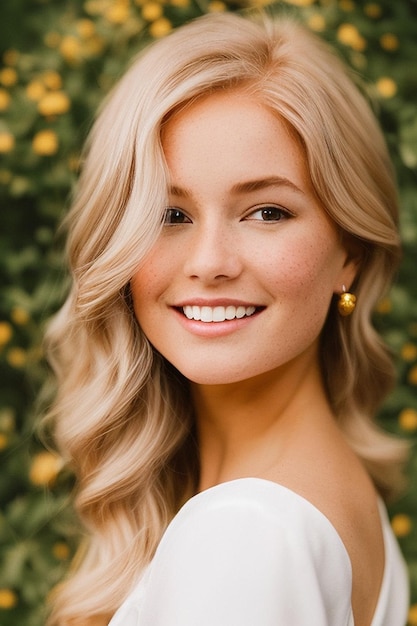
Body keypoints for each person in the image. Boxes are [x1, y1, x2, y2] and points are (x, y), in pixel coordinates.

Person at [44, 11, 410, 626]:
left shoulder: (248, 533)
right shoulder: (323, 498)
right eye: (170, 214)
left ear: (349, 251)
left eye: (266, 212)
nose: (210, 263)